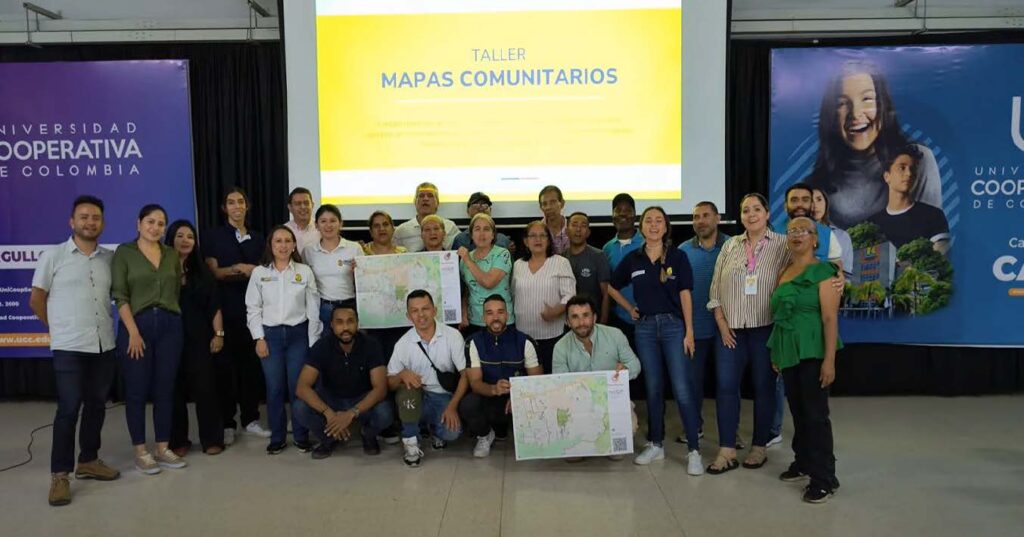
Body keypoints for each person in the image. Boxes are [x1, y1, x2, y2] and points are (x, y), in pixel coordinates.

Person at [30, 195, 120, 506]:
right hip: (69, 346)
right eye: (84, 217)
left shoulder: (110, 259)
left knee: (97, 404)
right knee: (68, 408)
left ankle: (89, 460)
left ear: (102, 223)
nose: (90, 222)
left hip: (103, 344)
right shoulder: (53, 256)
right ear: (72, 222)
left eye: (95, 218)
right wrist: (58, 329)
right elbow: (37, 299)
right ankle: (60, 475)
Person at [607, 206, 702, 475]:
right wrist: (629, 309)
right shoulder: (634, 259)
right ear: (641, 226)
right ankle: (656, 444)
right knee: (653, 388)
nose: (653, 225)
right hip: (645, 328)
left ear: (666, 226)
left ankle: (694, 450)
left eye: (658, 220)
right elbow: (611, 286)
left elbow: (685, 294)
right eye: (648, 220)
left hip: (674, 328)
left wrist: (689, 331)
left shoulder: (678, 256)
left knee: (682, 389)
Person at [706, 193, 791, 474]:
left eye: (756, 209)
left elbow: (796, 278)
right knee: (726, 388)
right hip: (729, 331)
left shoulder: (782, 245)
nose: (751, 214)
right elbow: (715, 290)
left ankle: (759, 447)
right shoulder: (730, 245)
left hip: (765, 329)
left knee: (764, 389)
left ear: (767, 213)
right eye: (745, 210)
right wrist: (721, 323)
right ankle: (727, 449)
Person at [804, 60, 942, 229]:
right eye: (842, 103)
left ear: (882, 105)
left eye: (867, 99)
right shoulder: (813, 186)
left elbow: (932, 241)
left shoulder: (917, 161)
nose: (855, 113)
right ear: (830, 114)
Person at [767, 217, 843, 503]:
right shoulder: (784, 272)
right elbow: (780, 316)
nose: (797, 235)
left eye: (804, 230)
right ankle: (804, 462)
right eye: (792, 231)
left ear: (815, 239)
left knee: (816, 415)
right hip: (788, 350)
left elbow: (829, 317)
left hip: (813, 350)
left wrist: (829, 361)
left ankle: (825, 477)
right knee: (798, 412)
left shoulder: (825, 272)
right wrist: (777, 352)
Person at [112, 204, 186, 475]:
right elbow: (119, 294)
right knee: (137, 390)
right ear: (139, 223)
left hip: (169, 325)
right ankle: (141, 451)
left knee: (165, 388)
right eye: (150, 222)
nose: (155, 227)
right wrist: (132, 331)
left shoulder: (170, 254)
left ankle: (162, 448)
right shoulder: (124, 253)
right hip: (137, 326)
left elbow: (175, 289)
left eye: (161, 223)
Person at [245, 226, 322, 454]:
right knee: (275, 388)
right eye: (278, 241)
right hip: (270, 337)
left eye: (288, 241)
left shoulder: (304, 271)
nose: (283, 245)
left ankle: (300, 435)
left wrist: (312, 341)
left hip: (298, 335)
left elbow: (313, 309)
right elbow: (252, 308)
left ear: (293, 245)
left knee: (297, 388)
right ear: (271, 245)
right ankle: (277, 437)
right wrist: (258, 338)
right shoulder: (260, 273)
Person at [204, 187, 271, 442]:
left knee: (251, 369)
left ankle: (251, 418)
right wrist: (239, 269)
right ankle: (227, 422)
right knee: (224, 370)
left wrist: (250, 269)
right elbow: (214, 273)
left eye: (240, 201)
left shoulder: (258, 237)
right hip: (224, 311)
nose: (236, 206)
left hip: (253, 313)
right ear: (224, 208)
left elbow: (266, 271)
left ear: (247, 206)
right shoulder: (213, 237)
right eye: (231, 202)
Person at [294, 301, 394, 460]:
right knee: (299, 407)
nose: (345, 328)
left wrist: (351, 413)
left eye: (350, 321)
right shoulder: (321, 346)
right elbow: (302, 387)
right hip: (331, 400)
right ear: (332, 325)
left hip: (361, 399)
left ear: (358, 324)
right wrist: (329, 413)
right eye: (339, 322)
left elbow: (380, 388)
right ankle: (329, 438)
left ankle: (367, 435)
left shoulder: (371, 345)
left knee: (385, 412)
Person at [552, 295, 641, 461]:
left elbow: (635, 365)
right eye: (575, 317)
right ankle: (586, 439)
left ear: (594, 317)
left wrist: (625, 370)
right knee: (573, 458)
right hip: (578, 406)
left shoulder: (615, 335)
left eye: (586, 315)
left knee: (617, 454)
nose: (581, 322)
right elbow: (560, 386)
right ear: (567, 321)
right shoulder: (560, 347)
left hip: (612, 402)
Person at [387, 290, 468, 467]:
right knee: (407, 391)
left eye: (425, 308)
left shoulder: (452, 336)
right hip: (417, 396)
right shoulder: (403, 344)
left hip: (442, 396)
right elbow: (390, 382)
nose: (421, 315)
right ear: (408, 316)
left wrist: (453, 407)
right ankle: (411, 441)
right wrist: (401, 375)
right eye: (415, 311)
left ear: (435, 310)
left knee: (452, 433)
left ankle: (432, 429)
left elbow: (465, 375)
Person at [166, 220, 225, 457]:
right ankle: (178, 440)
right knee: (173, 390)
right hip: (168, 338)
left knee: (206, 388)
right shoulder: (160, 269)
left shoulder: (203, 271)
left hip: (200, 338)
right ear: (170, 239)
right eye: (180, 236)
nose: (185, 240)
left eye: (190, 236)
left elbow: (215, 306)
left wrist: (219, 334)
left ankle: (212, 438)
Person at [675, 201, 730, 446]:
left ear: (717, 218)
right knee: (693, 384)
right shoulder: (683, 250)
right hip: (694, 330)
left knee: (727, 384)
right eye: (696, 216)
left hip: (726, 330)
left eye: (706, 215)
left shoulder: (733, 247)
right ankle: (693, 428)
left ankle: (731, 432)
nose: (700, 221)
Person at [459, 295, 542, 458]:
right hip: (489, 398)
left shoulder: (525, 341)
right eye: (489, 313)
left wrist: (519, 397)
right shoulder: (473, 342)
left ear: (508, 315)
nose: (495, 317)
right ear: (483, 317)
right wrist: (493, 389)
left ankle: (529, 438)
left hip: (519, 401)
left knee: (539, 402)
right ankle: (485, 435)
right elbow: (475, 383)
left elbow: (537, 381)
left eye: (500, 312)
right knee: (468, 404)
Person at [512, 221, 577, 374]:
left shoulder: (561, 262)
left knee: (550, 382)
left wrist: (557, 310)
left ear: (549, 240)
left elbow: (570, 295)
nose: (538, 239)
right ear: (525, 241)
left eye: (542, 235)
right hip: (523, 335)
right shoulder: (517, 265)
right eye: (533, 236)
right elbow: (513, 294)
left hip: (552, 336)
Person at [869, 144, 951, 254]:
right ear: (887, 176)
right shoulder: (872, 224)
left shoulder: (933, 216)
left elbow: (938, 259)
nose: (908, 174)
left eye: (913, 169)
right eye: (902, 168)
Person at [302, 204, 364, 328]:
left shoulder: (354, 248)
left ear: (341, 224)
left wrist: (357, 273)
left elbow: (365, 281)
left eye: (333, 221)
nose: (328, 225)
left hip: (350, 306)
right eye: (323, 221)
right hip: (324, 308)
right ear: (316, 225)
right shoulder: (309, 251)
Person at [458, 213, 514, 335]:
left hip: (502, 320)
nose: (482, 234)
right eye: (477, 229)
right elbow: (468, 290)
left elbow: (488, 282)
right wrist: (463, 313)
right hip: (475, 321)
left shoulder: (502, 254)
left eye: (486, 229)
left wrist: (468, 260)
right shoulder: (465, 259)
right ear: (471, 235)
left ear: (493, 234)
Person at [602, 193, 644, 348]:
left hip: (646, 320)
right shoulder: (607, 249)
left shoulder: (647, 243)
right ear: (613, 216)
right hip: (619, 320)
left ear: (635, 216)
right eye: (618, 210)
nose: (623, 214)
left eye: (627, 210)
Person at [563, 212, 611, 322]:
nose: (578, 229)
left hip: (593, 321)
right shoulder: (561, 258)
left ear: (588, 232)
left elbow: (606, 294)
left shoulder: (598, 256)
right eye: (574, 225)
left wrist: (603, 324)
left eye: (583, 226)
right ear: (566, 231)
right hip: (569, 322)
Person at [783, 183, 844, 269]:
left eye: (805, 200)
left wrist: (838, 274)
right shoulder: (771, 231)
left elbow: (836, 266)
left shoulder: (827, 234)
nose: (800, 204)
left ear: (812, 205)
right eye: (794, 200)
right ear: (785, 206)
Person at [393, 182, 460, 252]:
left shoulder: (450, 227)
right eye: (421, 196)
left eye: (430, 195)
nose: (425, 199)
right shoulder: (401, 231)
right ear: (415, 202)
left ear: (437, 202)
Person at [812, 189, 854, 274]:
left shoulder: (842, 236)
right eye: (810, 201)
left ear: (826, 203)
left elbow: (846, 275)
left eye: (819, 199)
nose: (815, 205)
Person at [284, 187, 320, 253]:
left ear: (312, 205)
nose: (303, 207)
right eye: (298, 204)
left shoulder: (322, 229)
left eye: (306, 203)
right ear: (290, 207)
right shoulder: (284, 231)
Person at [538, 185, 570, 254]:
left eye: (553, 202)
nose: (548, 207)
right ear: (541, 208)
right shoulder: (537, 230)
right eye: (544, 204)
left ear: (562, 203)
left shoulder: (571, 228)